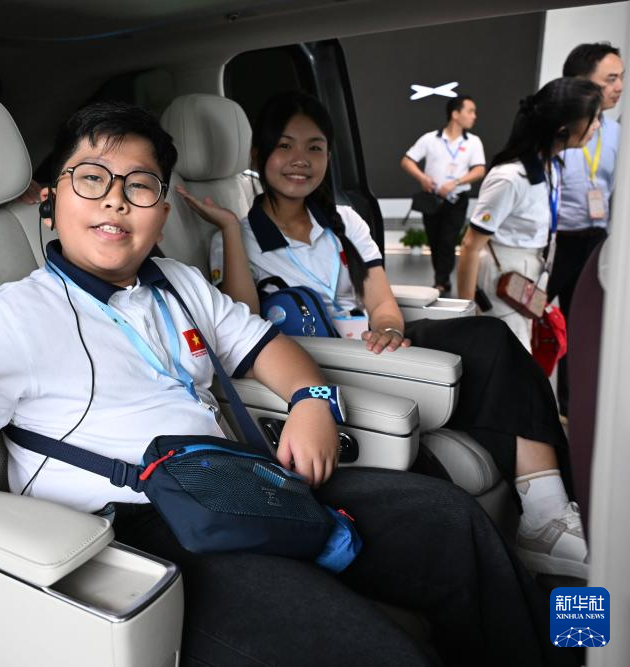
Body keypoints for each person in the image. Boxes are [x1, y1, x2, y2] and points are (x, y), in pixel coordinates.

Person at [0, 100, 574, 666]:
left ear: (162, 210)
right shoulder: (14, 314)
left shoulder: (177, 283)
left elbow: (270, 349)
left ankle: (569, 642)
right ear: (50, 200)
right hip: (143, 531)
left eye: (140, 185)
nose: (116, 201)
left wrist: (312, 401)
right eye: (91, 178)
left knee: (450, 520)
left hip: (242, 482)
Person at [177, 90, 588, 580]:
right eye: (285, 146)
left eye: (315, 147)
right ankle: (545, 516)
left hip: (372, 344)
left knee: (492, 338)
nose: (300, 160)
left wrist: (389, 329)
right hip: (322, 360)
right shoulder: (236, 238)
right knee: (491, 346)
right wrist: (229, 228)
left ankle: (547, 512)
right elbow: (244, 322)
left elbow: (380, 299)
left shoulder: (343, 221)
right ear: (258, 154)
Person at [456, 78, 602, 350]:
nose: (597, 126)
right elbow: (470, 246)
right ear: (562, 129)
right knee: (511, 357)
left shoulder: (550, 167)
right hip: (501, 278)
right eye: (592, 119)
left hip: (528, 276)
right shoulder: (511, 177)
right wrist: (466, 315)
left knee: (521, 356)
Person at [549, 43, 623, 418]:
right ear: (581, 81)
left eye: (621, 78)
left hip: (596, 243)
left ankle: (570, 409)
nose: (619, 87)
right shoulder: (554, 129)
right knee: (528, 323)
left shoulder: (617, 132)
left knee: (582, 328)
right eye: (610, 79)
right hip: (554, 242)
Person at [401, 95, 486, 295]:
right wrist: (422, 178)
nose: (474, 116)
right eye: (470, 111)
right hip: (433, 199)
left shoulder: (473, 142)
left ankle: (441, 281)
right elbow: (407, 161)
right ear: (455, 114)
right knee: (434, 240)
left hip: (457, 199)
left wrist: (456, 182)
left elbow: (479, 170)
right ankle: (441, 278)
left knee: (449, 239)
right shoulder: (430, 139)